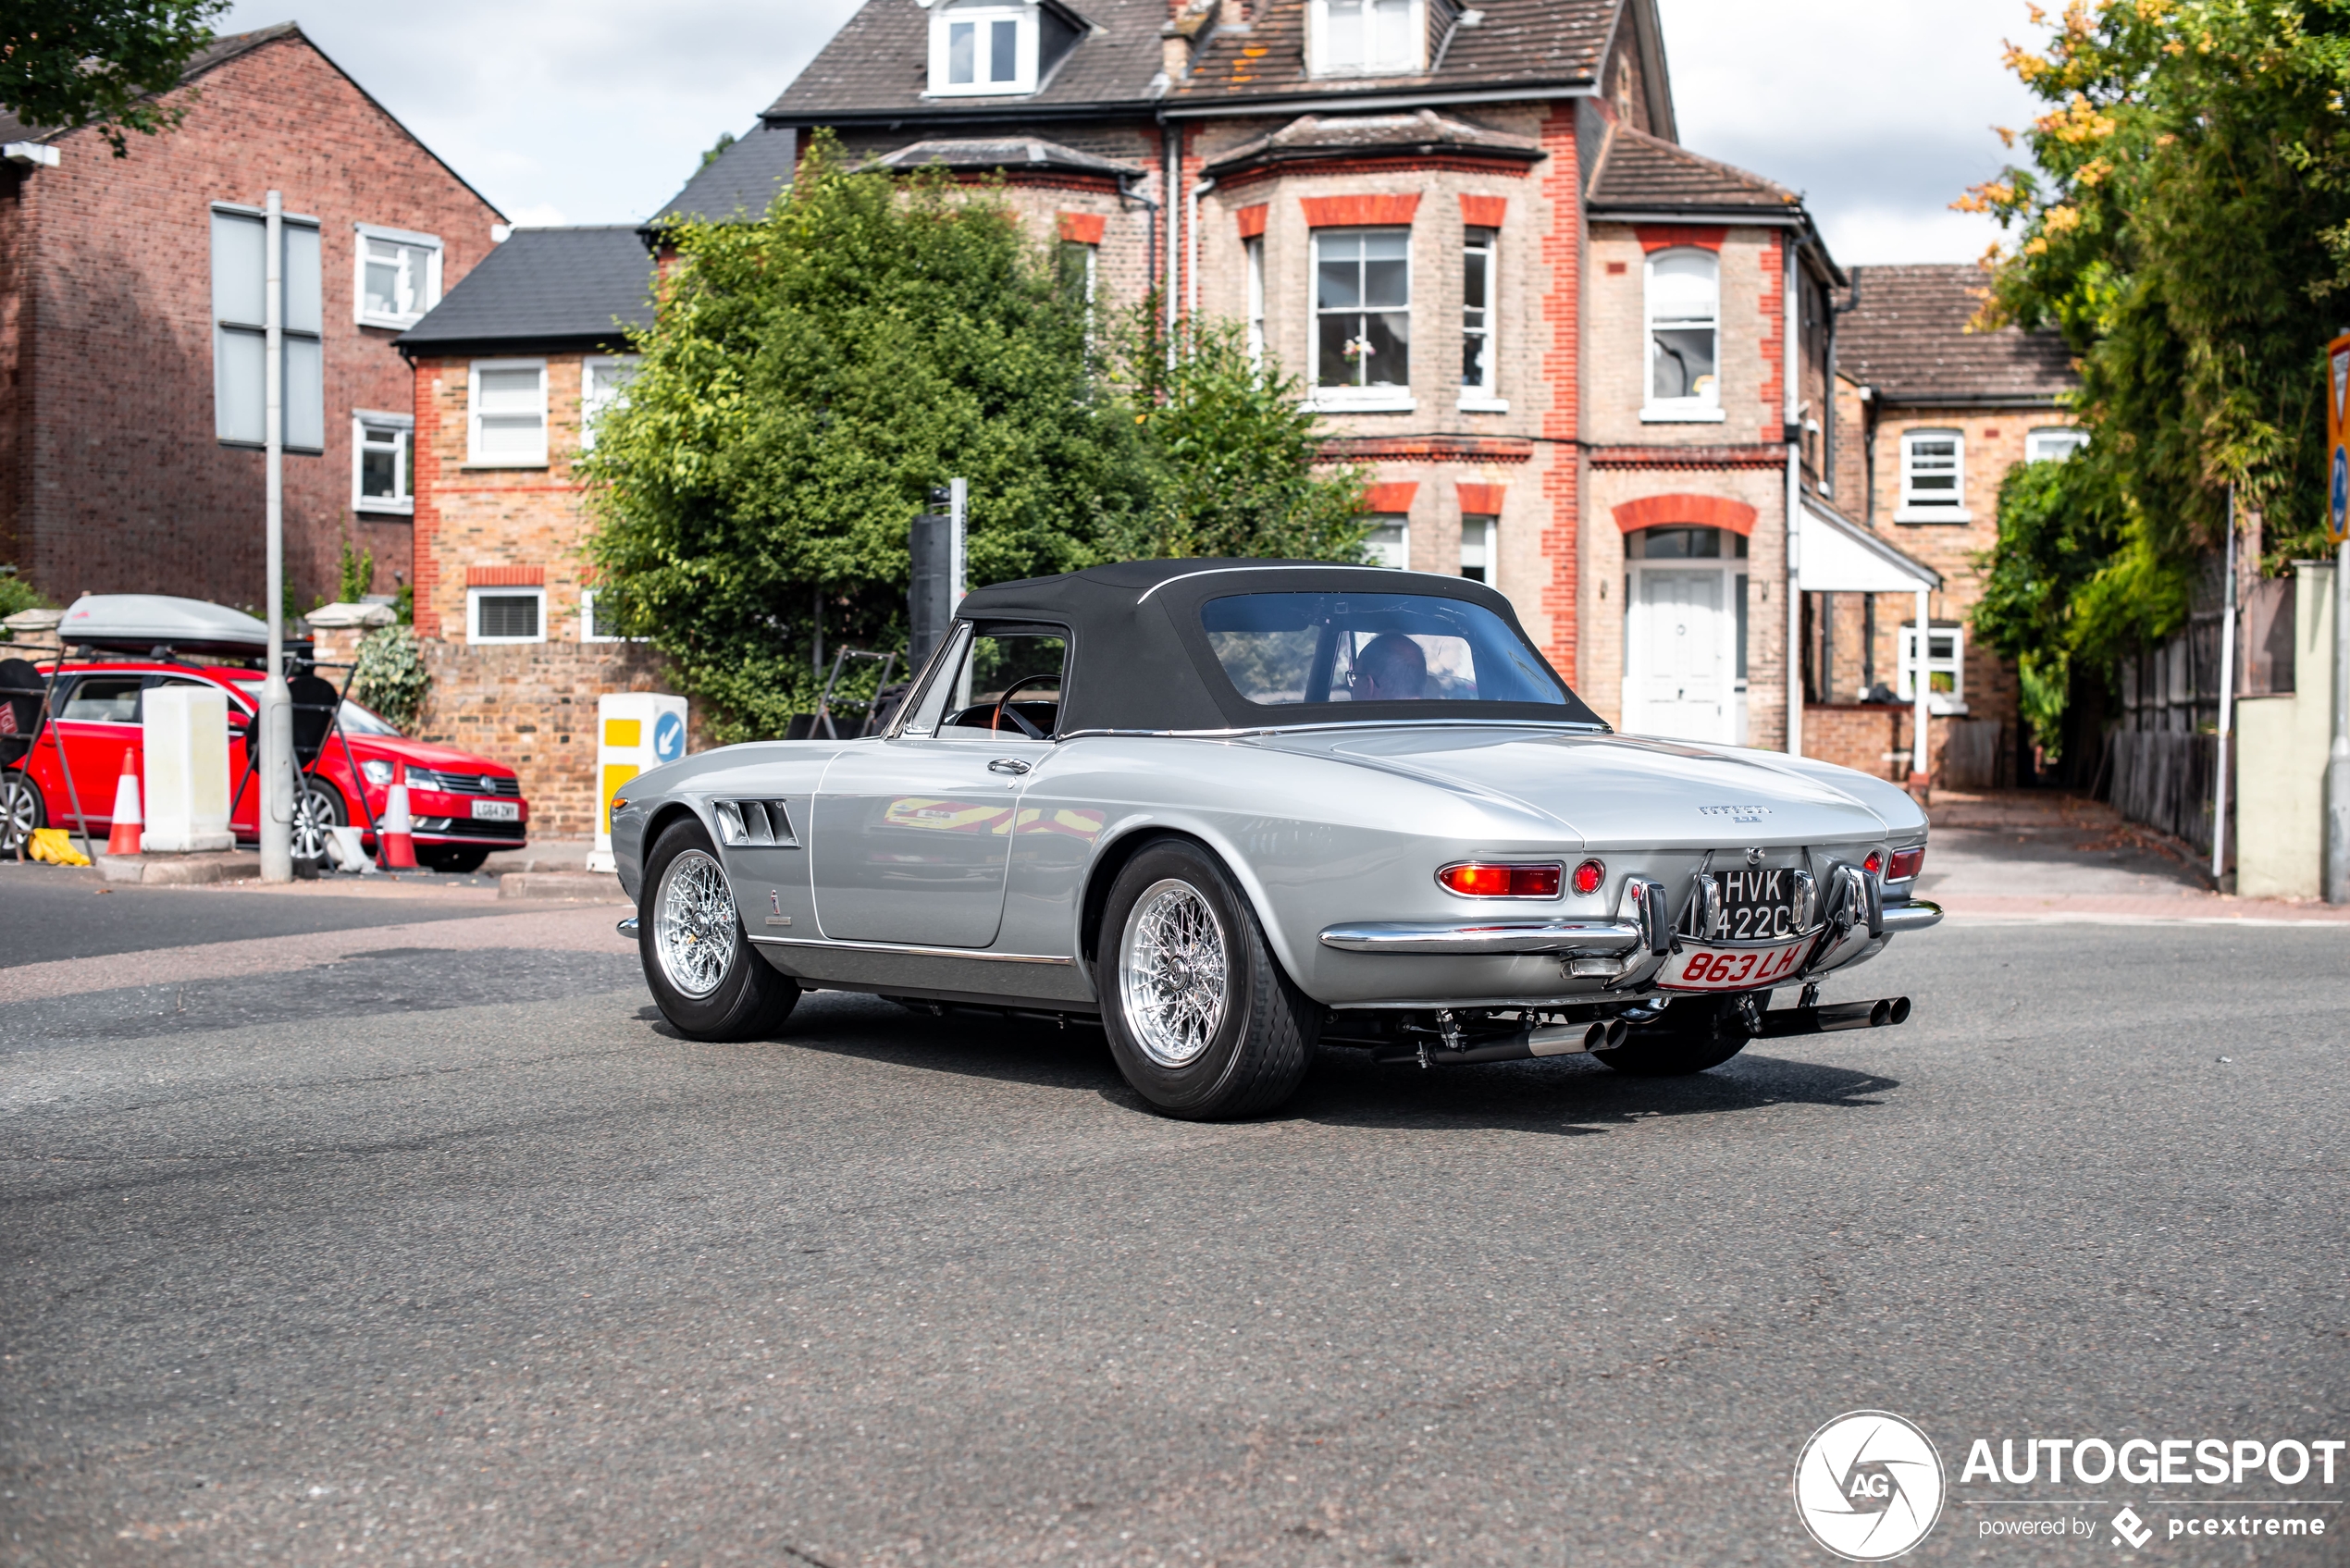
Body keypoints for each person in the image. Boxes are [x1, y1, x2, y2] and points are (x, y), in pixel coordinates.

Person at [1350, 633, 1429, 701]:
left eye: (1355, 677)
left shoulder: (1344, 718)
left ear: (1367, 685)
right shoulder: (1437, 716)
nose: (1352, 687)